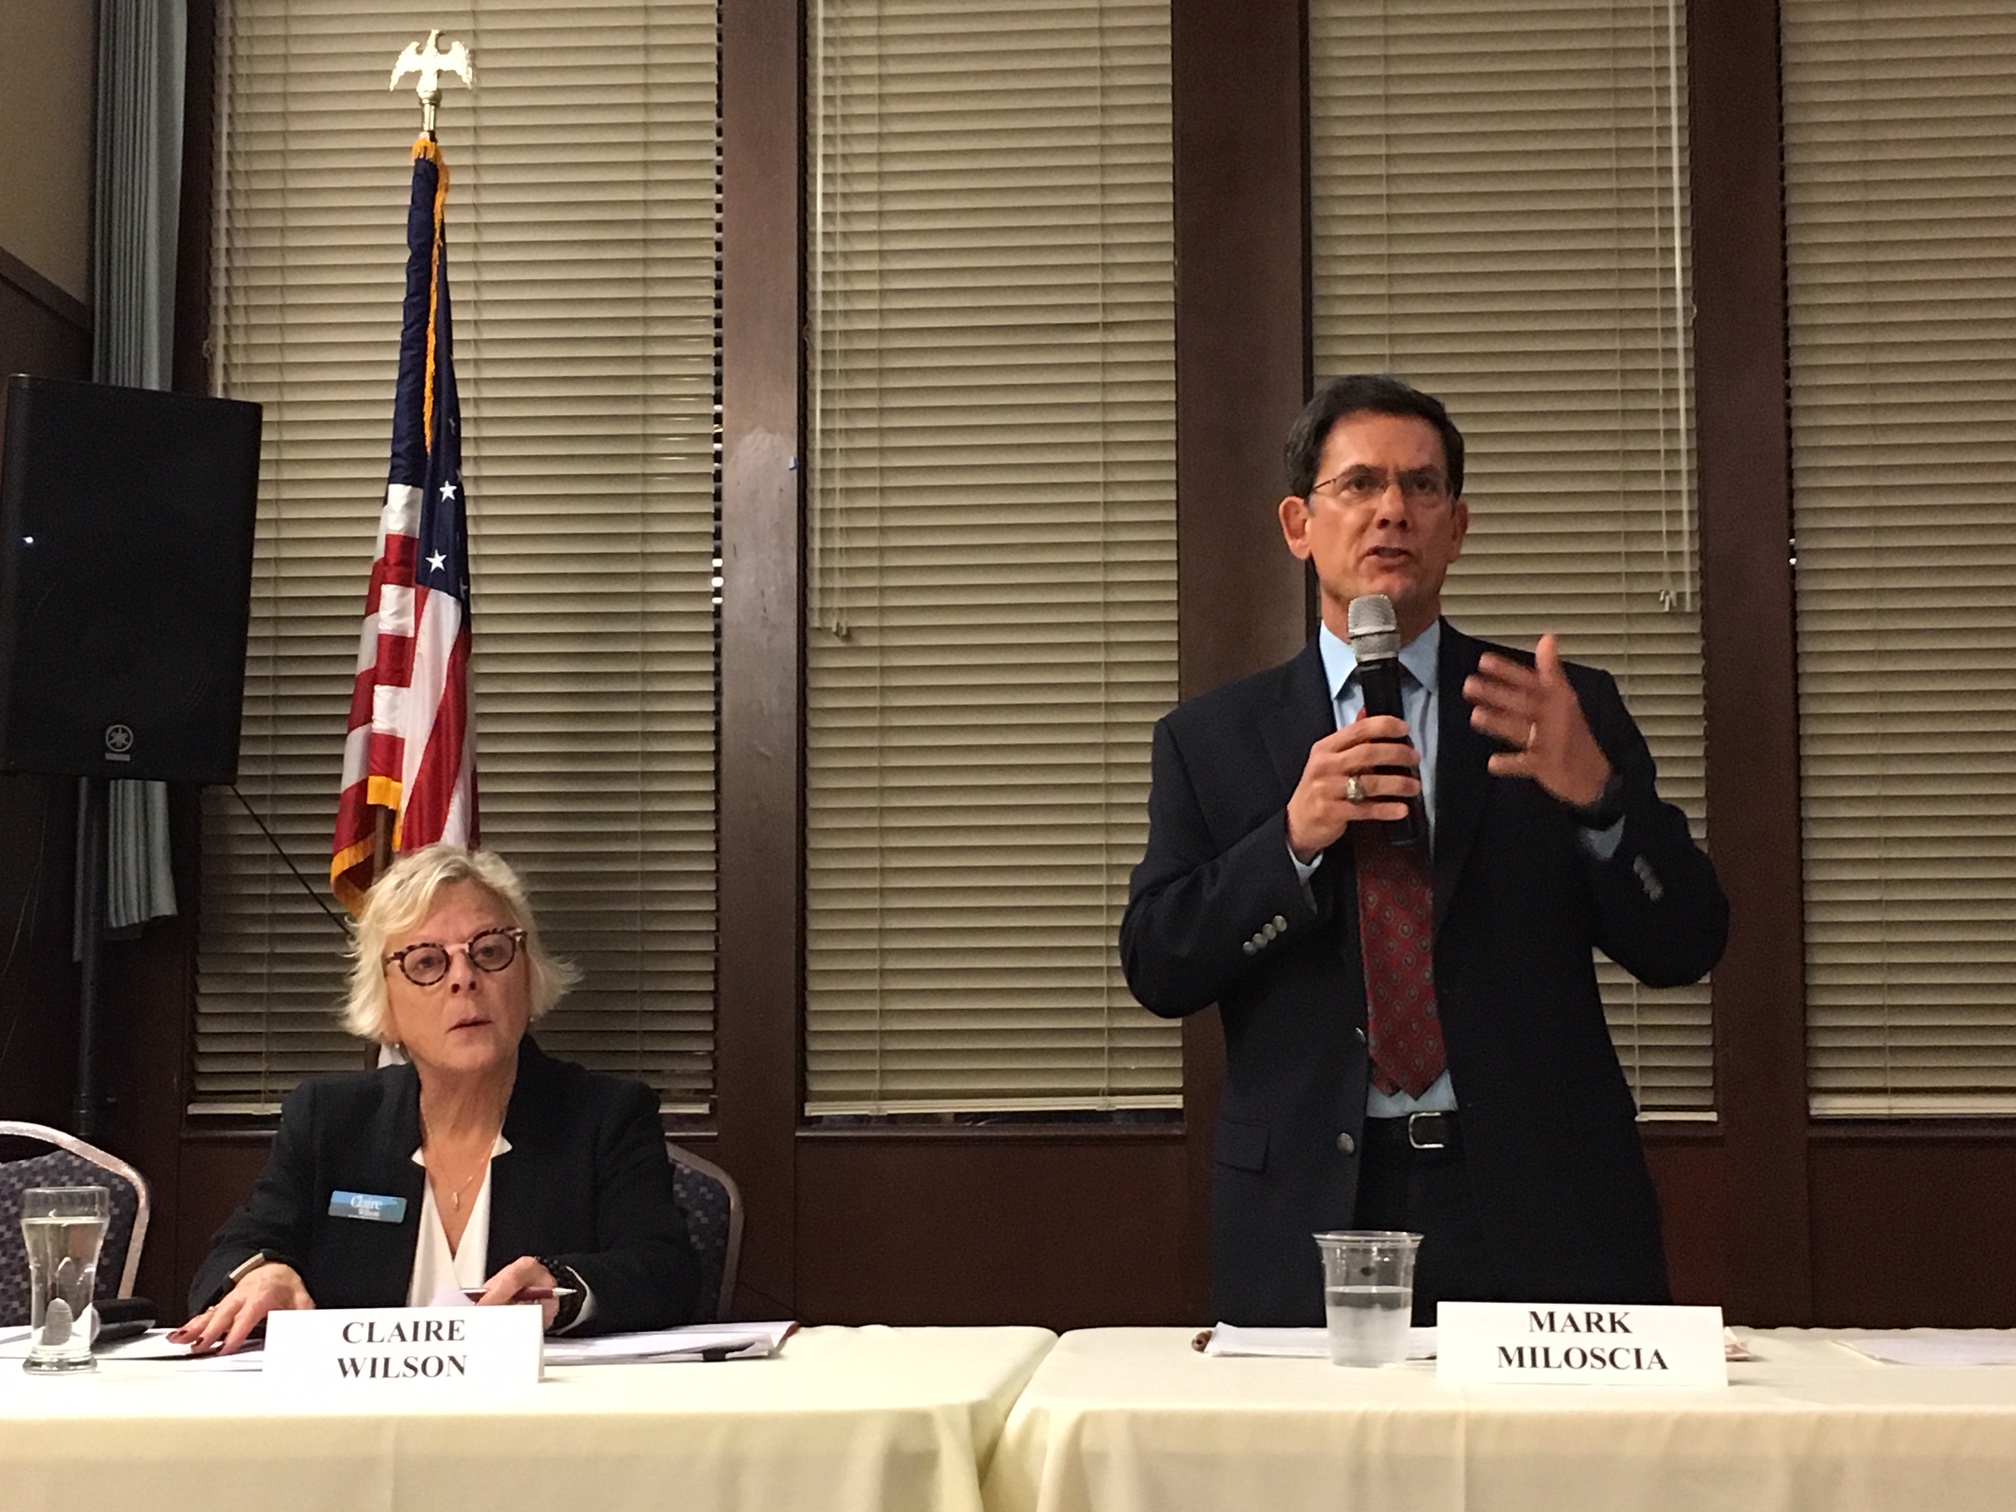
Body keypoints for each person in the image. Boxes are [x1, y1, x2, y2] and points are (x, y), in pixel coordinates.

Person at [1120, 374, 1728, 1326]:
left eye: (1423, 487)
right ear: (1299, 524)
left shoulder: (1556, 710)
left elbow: (1686, 940)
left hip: (1543, 1200)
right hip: (1313, 1205)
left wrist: (1600, 800)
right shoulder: (1212, 740)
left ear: (1457, 527)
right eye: (1359, 484)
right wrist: (1290, 843)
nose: (1392, 510)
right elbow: (1158, 962)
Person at [175, 845, 699, 1351]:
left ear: (527, 975)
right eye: (427, 963)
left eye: (490, 951)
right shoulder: (331, 1120)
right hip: (359, 1427)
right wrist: (262, 1273)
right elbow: (233, 1255)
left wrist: (563, 1290)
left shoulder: (604, 1116)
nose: (464, 979)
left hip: (540, 1423)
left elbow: (666, 1274)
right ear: (386, 1005)